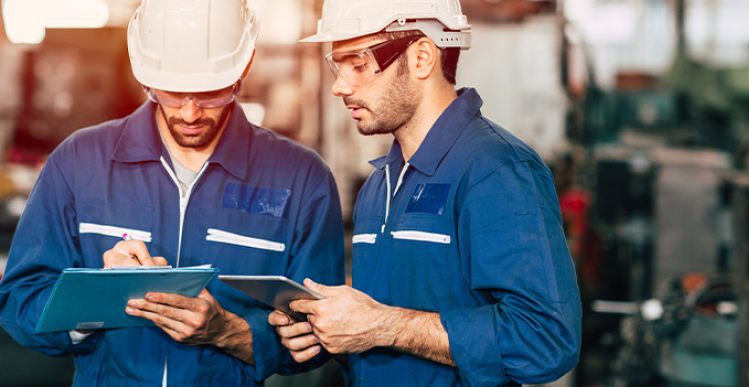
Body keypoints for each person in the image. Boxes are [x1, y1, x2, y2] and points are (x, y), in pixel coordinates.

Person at [0, 0, 344, 385]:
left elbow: (321, 337)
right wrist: (100, 295)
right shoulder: (79, 162)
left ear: (243, 67)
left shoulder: (302, 178)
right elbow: (19, 303)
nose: (191, 112)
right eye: (172, 93)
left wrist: (228, 332)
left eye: (211, 92)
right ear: (144, 76)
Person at [268, 0, 581, 386]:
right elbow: (381, 325)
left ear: (420, 57)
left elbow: (545, 339)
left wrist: (384, 326)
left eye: (359, 64)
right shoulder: (379, 186)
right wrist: (327, 329)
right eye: (337, 65)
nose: (339, 86)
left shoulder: (497, 171)